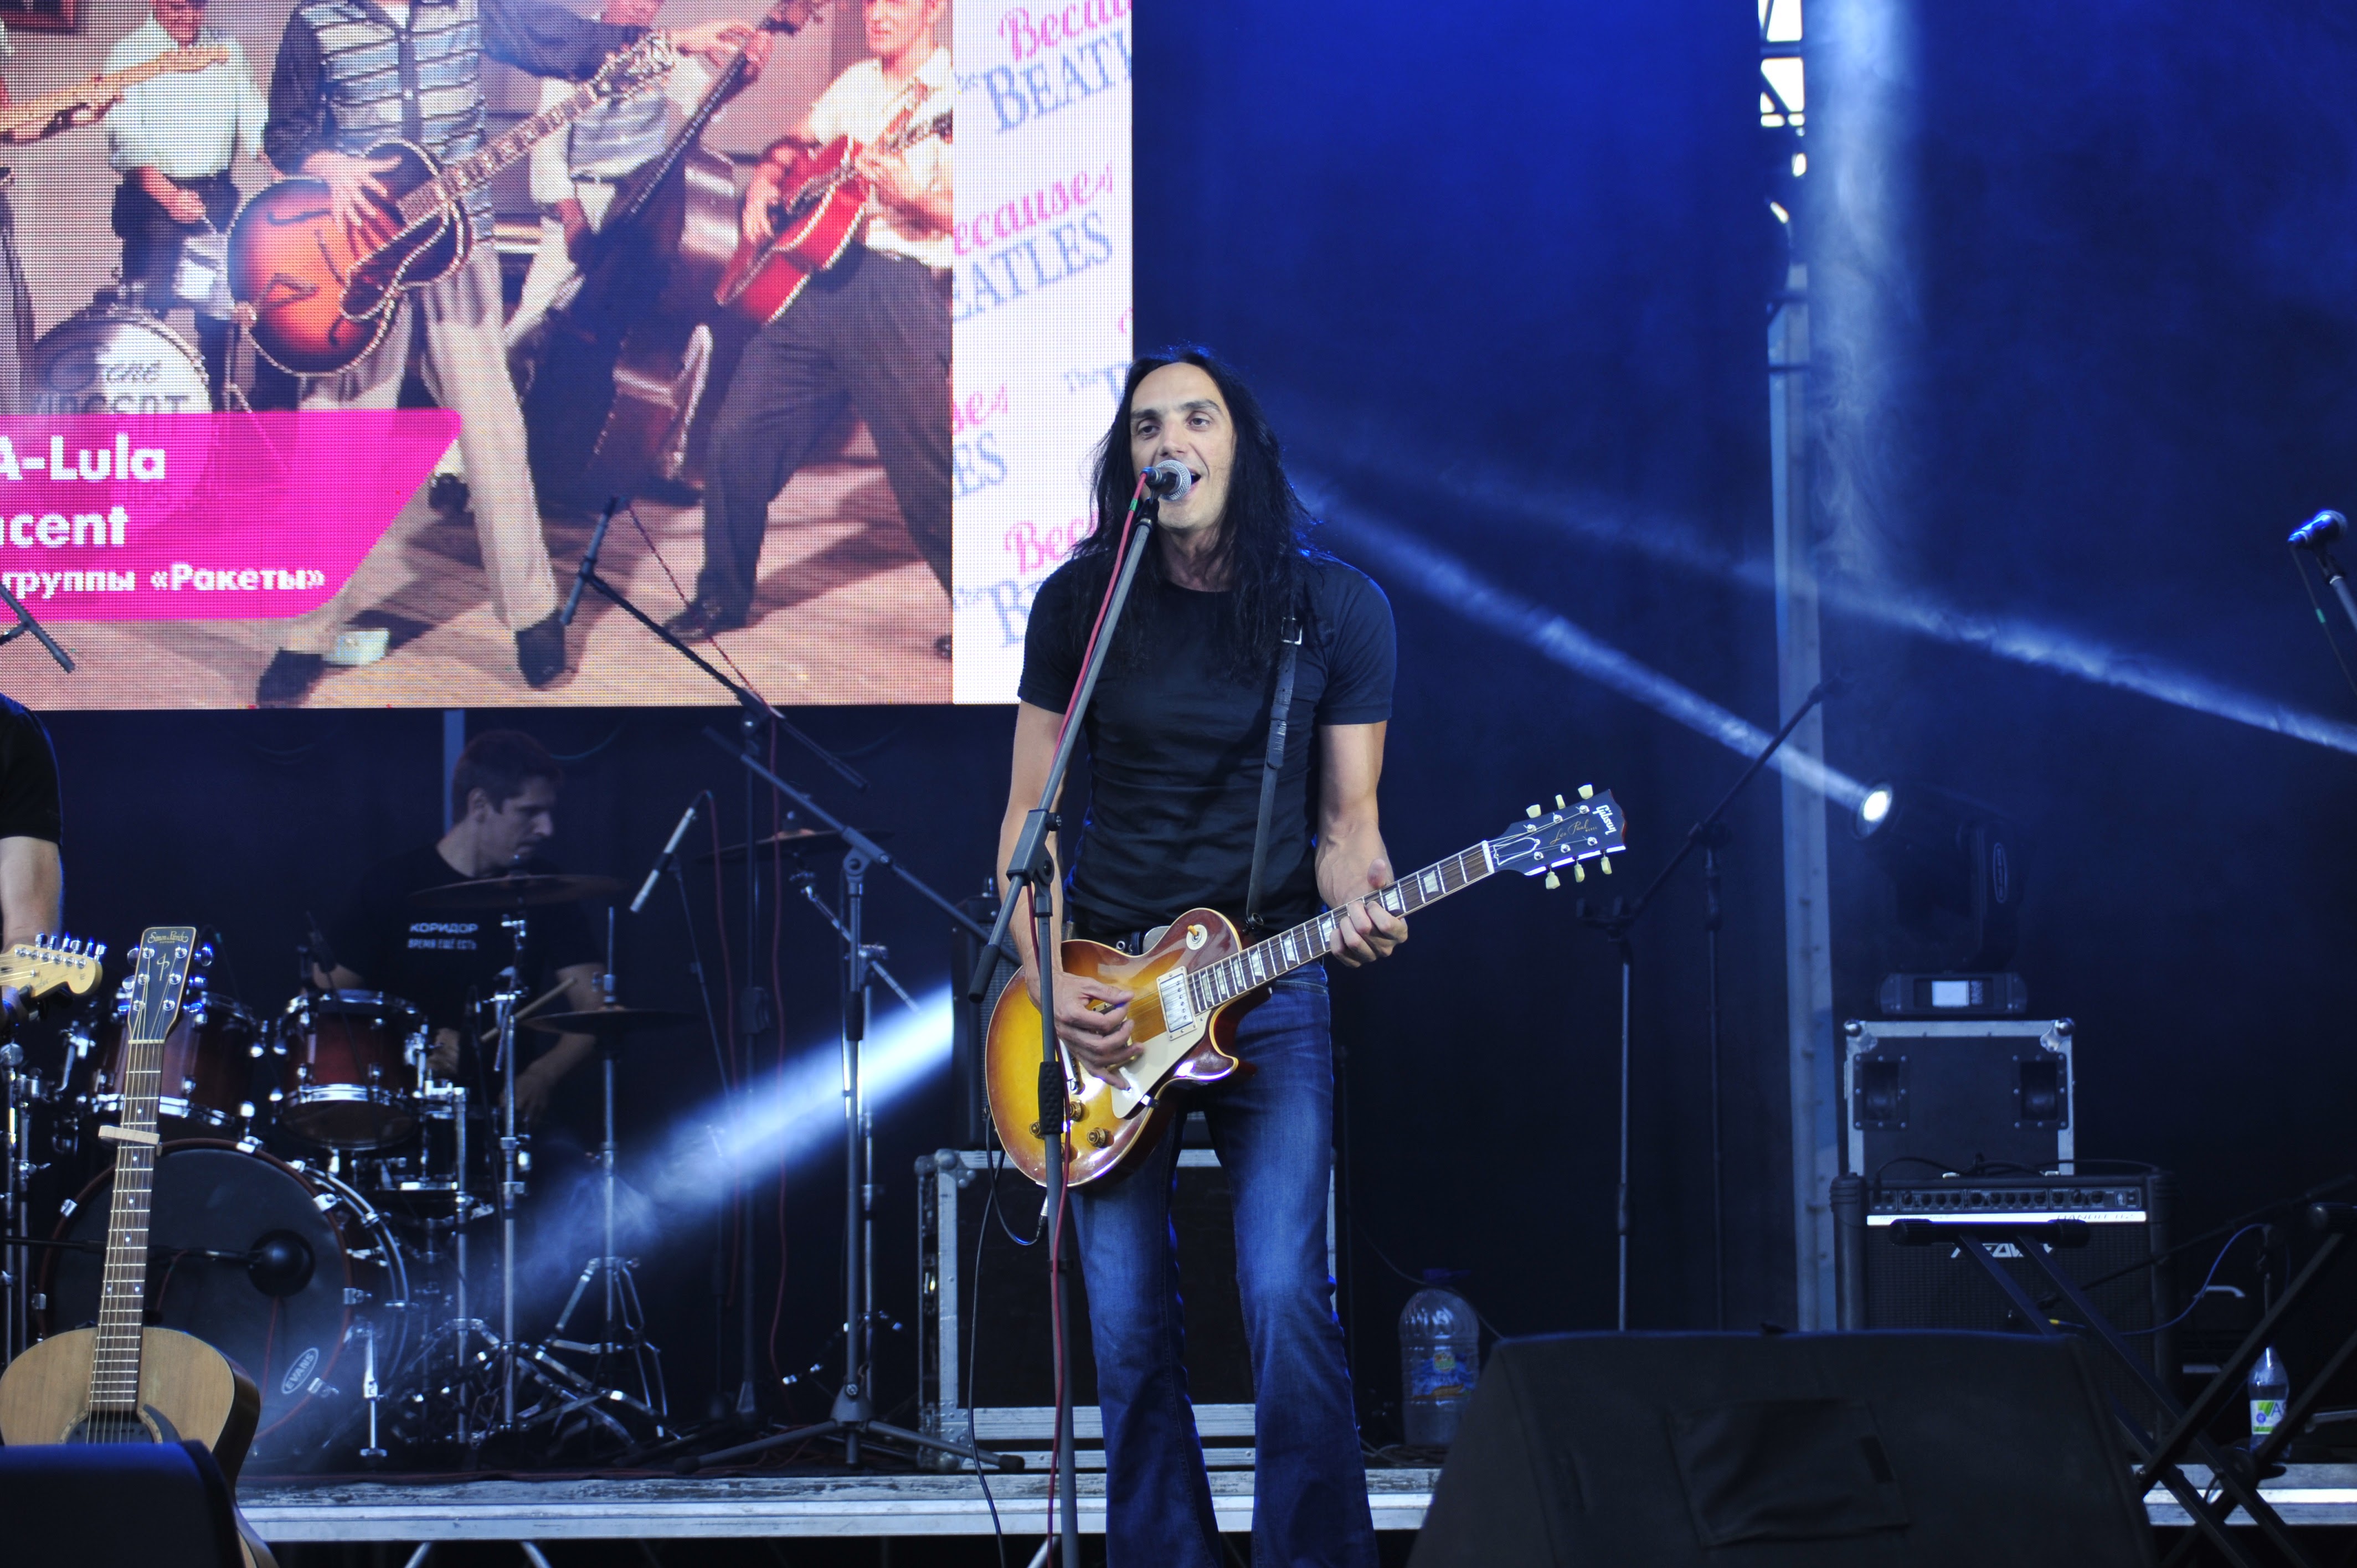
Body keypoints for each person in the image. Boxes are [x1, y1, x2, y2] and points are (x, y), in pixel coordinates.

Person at [995, 348, 1401, 1567]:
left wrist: (1367, 898)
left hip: (1265, 980)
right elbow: (1027, 825)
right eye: (1146, 427)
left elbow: (1349, 831)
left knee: (1283, 1291)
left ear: (1242, 446)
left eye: (1196, 418)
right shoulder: (1081, 604)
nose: (1169, 441)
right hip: (1107, 994)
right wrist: (1048, 979)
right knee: (1125, 1325)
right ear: (1129, 463)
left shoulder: (1333, 610)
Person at [253, 0, 755, 705]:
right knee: (336, 445)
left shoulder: (470, 6)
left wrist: (681, 42)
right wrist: (325, 162)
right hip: (359, 260)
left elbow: (573, 44)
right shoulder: (317, 19)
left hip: (458, 249)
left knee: (494, 436)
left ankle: (533, 617)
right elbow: (285, 133)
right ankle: (304, 638)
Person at [666, 0, 951, 645]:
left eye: (896, 1)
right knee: (736, 440)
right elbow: (791, 146)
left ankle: (999, 621)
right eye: (870, 1)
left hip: (894, 292)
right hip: (812, 285)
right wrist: (765, 183)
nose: (877, 14)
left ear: (934, 8)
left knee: (927, 478)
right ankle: (719, 598)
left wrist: (913, 199)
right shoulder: (855, 81)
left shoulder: (957, 99)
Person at [320, 729, 601, 1128]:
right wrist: (412, 1051)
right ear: (480, 805)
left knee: (578, 1170)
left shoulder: (547, 889)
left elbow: (597, 1010)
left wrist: (543, 1074)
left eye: (548, 812)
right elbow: (321, 1004)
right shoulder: (391, 885)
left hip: (504, 1117)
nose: (546, 829)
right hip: (397, 1115)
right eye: (529, 812)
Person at [505, 0, 765, 369]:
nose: (642, 7)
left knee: (619, 321)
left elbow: (706, 102)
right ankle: (500, 397)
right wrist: (574, 220)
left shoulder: (662, 48)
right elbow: (548, 147)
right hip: (580, 197)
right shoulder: (575, 44)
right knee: (533, 318)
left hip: (641, 200)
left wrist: (740, 80)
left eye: (653, 1)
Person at [103, 0, 271, 406]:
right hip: (154, 203)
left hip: (215, 200)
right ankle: (137, 416)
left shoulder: (226, 50)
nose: (188, 17)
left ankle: (215, 414)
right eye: (177, 6)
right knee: (146, 317)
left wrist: (283, 169)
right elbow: (126, 140)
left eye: (196, 6)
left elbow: (255, 121)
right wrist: (170, 197)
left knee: (218, 319)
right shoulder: (128, 54)